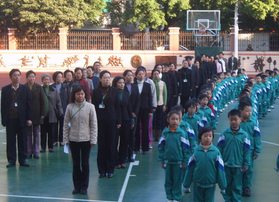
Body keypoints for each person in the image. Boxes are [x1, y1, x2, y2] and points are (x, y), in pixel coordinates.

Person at [63, 87, 97, 195]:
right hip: (73, 140)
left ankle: (84, 187)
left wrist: (93, 139)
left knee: (85, 164)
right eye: (78, 94)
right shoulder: (69, 107)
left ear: (85, 95)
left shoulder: (90, 107)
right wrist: (65, 140)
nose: (80, 96)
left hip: (86, 140)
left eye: (82, 94)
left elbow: (93, 125)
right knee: (76, 164)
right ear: (74, 95)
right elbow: (65, 125)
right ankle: (76, 186)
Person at [183, 127, 227, 202]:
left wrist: (223, 186)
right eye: (205, 136)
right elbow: (190, 169)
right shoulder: (195, 152)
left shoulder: (216, 152)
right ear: (200, 137)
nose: (208, 138)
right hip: (197, 184)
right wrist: (186, 184)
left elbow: (220, 170)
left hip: (211, 185)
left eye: (210, 136)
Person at [217, 109, 251, 202]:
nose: (233, 122)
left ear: (240, 119)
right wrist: (219, 163)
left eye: (235, 119)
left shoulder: (244, 135)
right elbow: (218, 150)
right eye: (231, 119)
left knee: (237, 187)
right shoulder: (224, 134)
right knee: (226, 186)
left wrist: (246, 163)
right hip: (226, 165)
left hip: (238, 166)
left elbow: (247, 151)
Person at [92, 70, 121, 178]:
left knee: (111, 145)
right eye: (105, 77)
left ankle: (110, 169)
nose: (107, 79)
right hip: (100, 122)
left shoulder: (114, 91)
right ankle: (102, 170)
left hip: (112, 121)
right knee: (101, 146)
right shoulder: (95, 91)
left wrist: (119, 121)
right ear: (100, 79)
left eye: (109, 77)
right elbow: (94, 107)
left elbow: (118, 107)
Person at [1, 69, 32, 167]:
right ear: (11, 77)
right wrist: (4, 120)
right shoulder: (5, 89)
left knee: (23, 140)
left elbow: (29, 105)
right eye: (15, 75)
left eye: (19, 75)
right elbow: (3, 106)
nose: (17, 77)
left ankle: (23, 160)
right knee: (10, 141)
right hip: (10, 119)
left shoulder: (25, 89)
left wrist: (29, 118)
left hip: (22, 119)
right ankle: (11, 160)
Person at [158, 110, 191, 202]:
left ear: (180, 121)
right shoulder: (165, 133)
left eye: (177, 119)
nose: (175, 121)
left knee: (177, 181)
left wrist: (185, 161)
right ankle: (169, 197)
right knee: (168, 181)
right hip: (167, 162)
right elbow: (161, 147)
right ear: (168, 120)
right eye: (173, 119)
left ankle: (177, 197)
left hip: (178, 162)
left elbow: (186, 149)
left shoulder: (182, 133)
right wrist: (161, 159)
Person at [239, 99, 261, 197]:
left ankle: (246, 187)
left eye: (250, 111)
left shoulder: (253, 123)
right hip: (238, 150)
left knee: (249, 169)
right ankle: (237, 186)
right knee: (238, 169)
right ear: (241, 111)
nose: (249, 113)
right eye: (247, 111)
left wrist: (257, 149)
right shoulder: (237, 122)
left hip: (250, 150)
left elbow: (257, 136)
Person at [25, 70, 46, 159]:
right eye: (30, 76)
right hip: (27, 115)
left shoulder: (39, 87)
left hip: (37, 114)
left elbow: (43, 101)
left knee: (37, 134)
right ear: (27, 78)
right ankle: (29, 152)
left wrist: (42, 114)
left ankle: (36, 151)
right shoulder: (23, 87)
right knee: (28, 134)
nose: (32, 78)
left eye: (33, 76)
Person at [41, 74, 63, 153]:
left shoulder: (54, 90)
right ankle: (43, 147)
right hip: (43, 115)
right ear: (42, 81)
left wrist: (60, 112)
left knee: (51, 132)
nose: (46, 81)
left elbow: (58, 102)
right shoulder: (40, 90)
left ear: (50, 81)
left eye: (48, 79)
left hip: (52, 114)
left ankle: (50, 147)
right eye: (45, 79)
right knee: (43, 132)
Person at [112, 76, 131, 168]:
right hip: (115, 120)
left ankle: (122, 160)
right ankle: (115, 160)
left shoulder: (126, 93)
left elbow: (129, 107)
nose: (122, 84)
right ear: (115, 83)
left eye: (123, 83)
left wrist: (131, 119)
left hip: (126, 119)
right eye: (120, 82)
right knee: (114, 141)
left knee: (125, 140)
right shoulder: (112, 93)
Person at [134, 67, 153, 153]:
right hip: (135, 111)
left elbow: (150, 99)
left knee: (145, 128)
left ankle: (145, 147)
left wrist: (150, 111)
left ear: (145, 75)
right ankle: (136, 147)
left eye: (142, 74)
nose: (141, 76)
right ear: (136, 75)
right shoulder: (133, 85)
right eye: (139, 74)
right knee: (136, 128)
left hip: (145, 109)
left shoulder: (148, 85)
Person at [123, 70, 140, 162]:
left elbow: (138, 101)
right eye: (128, 75)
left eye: (131, 75)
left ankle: (131, 154)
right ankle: (124, 154)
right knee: (124, 135)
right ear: (124, 76)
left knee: (132, 135)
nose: (130, 77)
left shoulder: (135, 87)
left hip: (133, 115)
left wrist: (135, 112)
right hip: (124, 114)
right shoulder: (122, 86)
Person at [152, 69, 167, 141]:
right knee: (153, 120)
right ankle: (154, 135)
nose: (156, 75)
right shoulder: (150, 83)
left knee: (159, 119)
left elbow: (165, 94)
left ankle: (159, 135)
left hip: (160, 103)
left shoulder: (163, 83)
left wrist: (164, 104)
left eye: (157, 74)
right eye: (154, 74)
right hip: (152, 105)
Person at [51, 71, 65, 146]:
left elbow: (68, 98)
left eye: (60, 77)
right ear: (54, 78)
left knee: (62, 125)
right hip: (54, 109)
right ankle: (55, 140)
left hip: (63, 108)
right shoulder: (51, 87)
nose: (59, 78)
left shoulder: (65, 86)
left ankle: (62, 140)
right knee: (54, 126)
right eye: (57, 77)